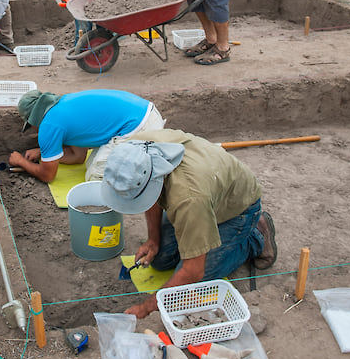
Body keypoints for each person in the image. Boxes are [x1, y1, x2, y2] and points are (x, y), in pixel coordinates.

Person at [100, 129, 277, 319]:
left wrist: (148, 307)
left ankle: (255, 235)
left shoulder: (188, 199)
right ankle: (204, 232)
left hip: (237, 208)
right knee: (160, 261)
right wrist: (153, 239)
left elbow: (193, 270)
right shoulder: (133, 152)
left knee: (195, 283)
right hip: (207, 194)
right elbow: (150, 196)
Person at [8, 89, 165, 183]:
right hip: (146, 114)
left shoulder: (48, 126)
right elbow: (78, 156)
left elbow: (48, 175)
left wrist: (21, 162)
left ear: (33, 118)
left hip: (140, 127)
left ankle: (143, 176)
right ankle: (139, 161)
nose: (34, 128)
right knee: (91, 164)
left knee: (94, 176)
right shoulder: (62, 105)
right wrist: (44, 154)